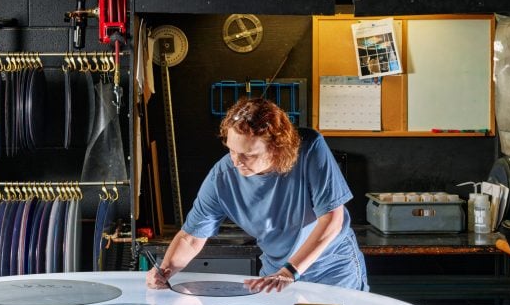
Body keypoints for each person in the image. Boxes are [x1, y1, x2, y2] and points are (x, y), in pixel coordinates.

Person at [146, 97, 368, 293]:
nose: (235, 161)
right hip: (275, 273)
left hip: (330, 269)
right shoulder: (223, 177)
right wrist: (165, 270)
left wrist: (290, 271)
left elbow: (332, 219)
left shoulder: (309, 148)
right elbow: (191, 237)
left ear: (277, 148)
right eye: (231, 150)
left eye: (247, 155)